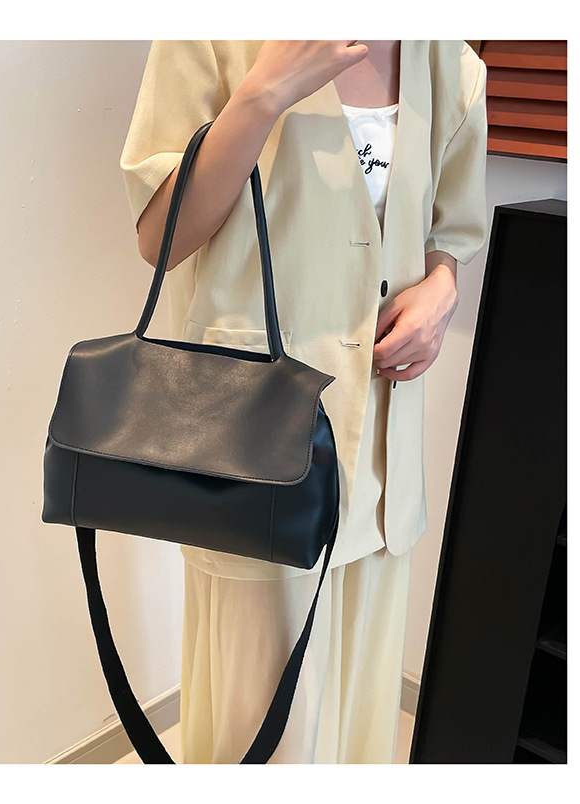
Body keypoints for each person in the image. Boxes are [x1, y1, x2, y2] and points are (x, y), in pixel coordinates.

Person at [119, 40, 488, 763]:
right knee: (262, 737)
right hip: (253, 449)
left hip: (381, 453)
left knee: (360, 730)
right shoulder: (212, 35)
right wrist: (265, 92)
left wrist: (441, 288)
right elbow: (160, 238)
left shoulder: (450, 62)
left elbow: (448, 233)